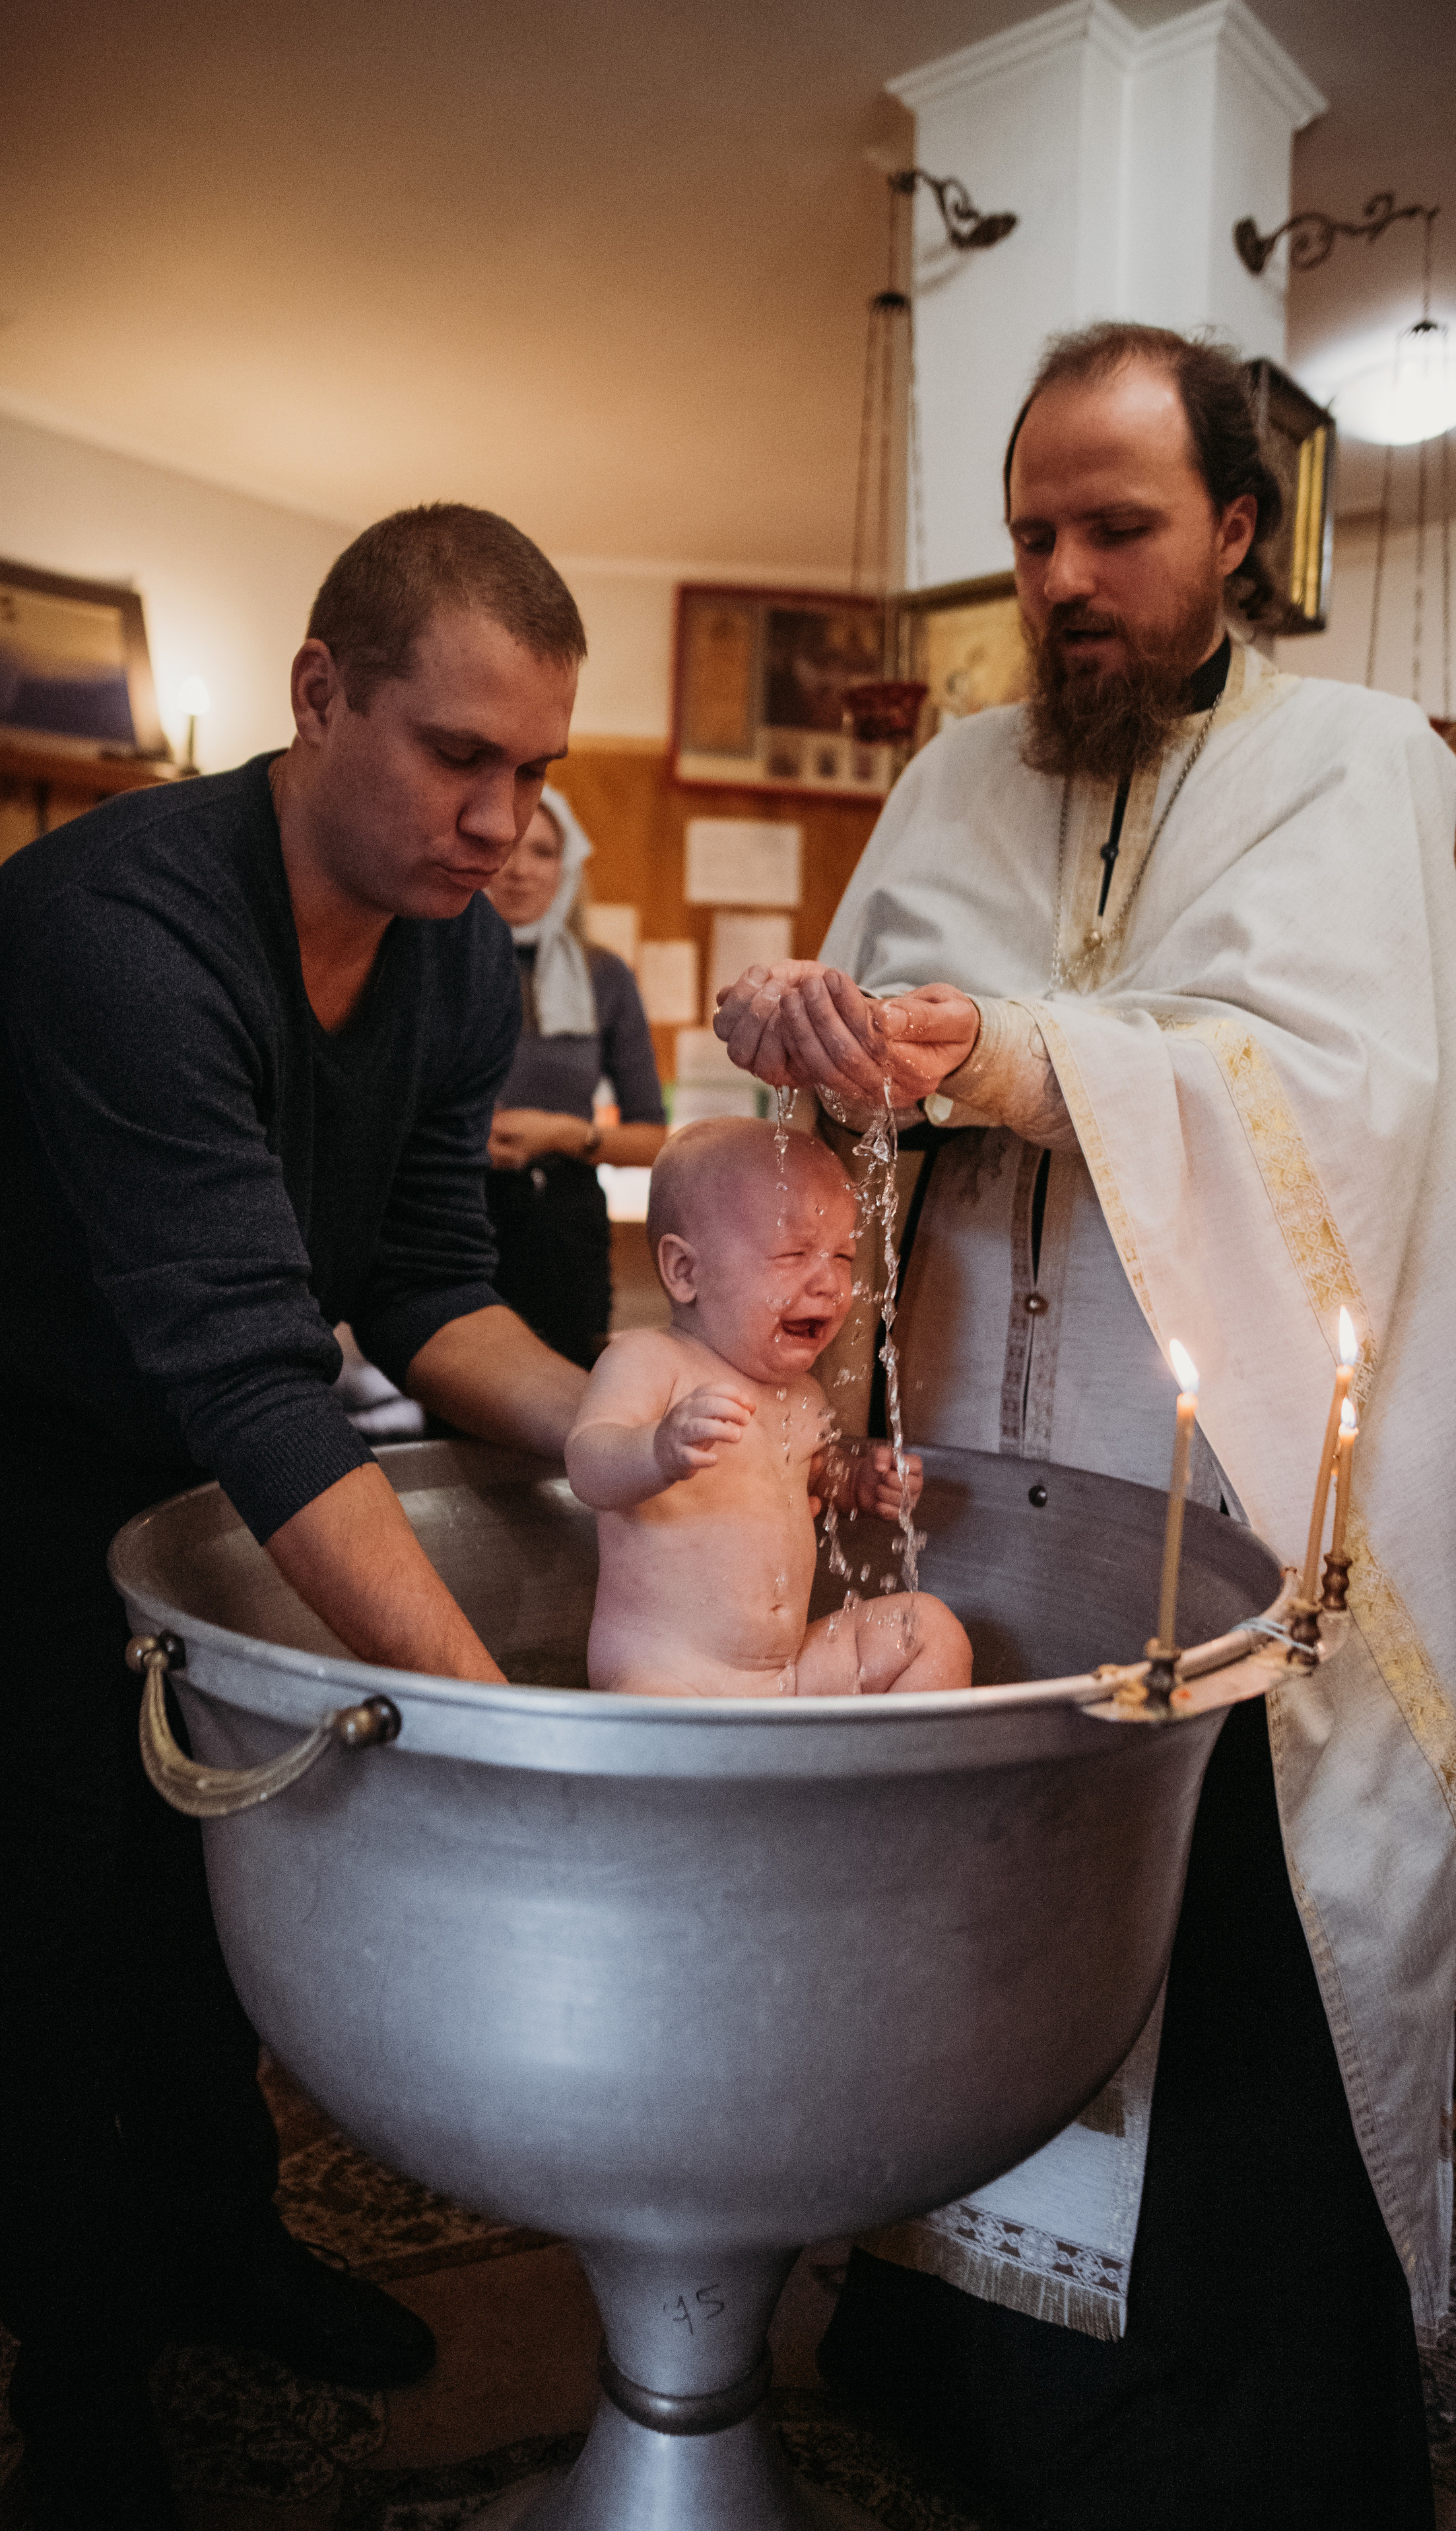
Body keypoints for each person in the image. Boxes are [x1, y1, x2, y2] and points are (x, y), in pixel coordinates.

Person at [713, 325, 1455, 2527]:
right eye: (1033, 532)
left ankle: (1228, 2425)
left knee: (1220, 1962)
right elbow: (835, 1098)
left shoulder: (1362, 763)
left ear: (1242, 528)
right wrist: (805, 1039)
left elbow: (1348, 1101)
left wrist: (1018, 1055)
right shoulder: (952, 773)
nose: (1062, 573)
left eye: (1116, 525)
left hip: (1224, 1517)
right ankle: (957, 2346)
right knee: (972, 1936)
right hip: (975, 1500)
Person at [0, 504, 594, 2530]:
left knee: (207, 1848)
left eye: (534, 771)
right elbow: (260, 1375)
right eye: (457, 755)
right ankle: (75, 2366)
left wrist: (611, 1432)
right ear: (318, 695)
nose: (500, 820)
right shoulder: (116, 926)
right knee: (45, 1883)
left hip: (199, 1428)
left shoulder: (451, 962)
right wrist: (492, 1729)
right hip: (4, 1426)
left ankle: (221, 2248)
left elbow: (430, 1284)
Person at [565, 1118, 968, 1698]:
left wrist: (857, 1479)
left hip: (789, 1675)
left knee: (926, 1629)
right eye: (792, 1253)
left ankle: (893, 1784)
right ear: (686, 1271)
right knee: (654, 1715)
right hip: (673, 1677)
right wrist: (657, 1449)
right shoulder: (650, 1360)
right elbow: (586, 1465)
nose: (830, 1284)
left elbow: (809, 1472)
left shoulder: (802, 1394)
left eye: (844, 1256)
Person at [482, 789, 666, 1367]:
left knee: (565, 1408)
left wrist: (562, 1135)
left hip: (562, 1226)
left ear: (565, 867)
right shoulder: (422, 960)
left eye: (540, 851)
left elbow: (653, 1142)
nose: (519, 870)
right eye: (506, 846)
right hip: (450, 1216)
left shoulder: (605, 977)